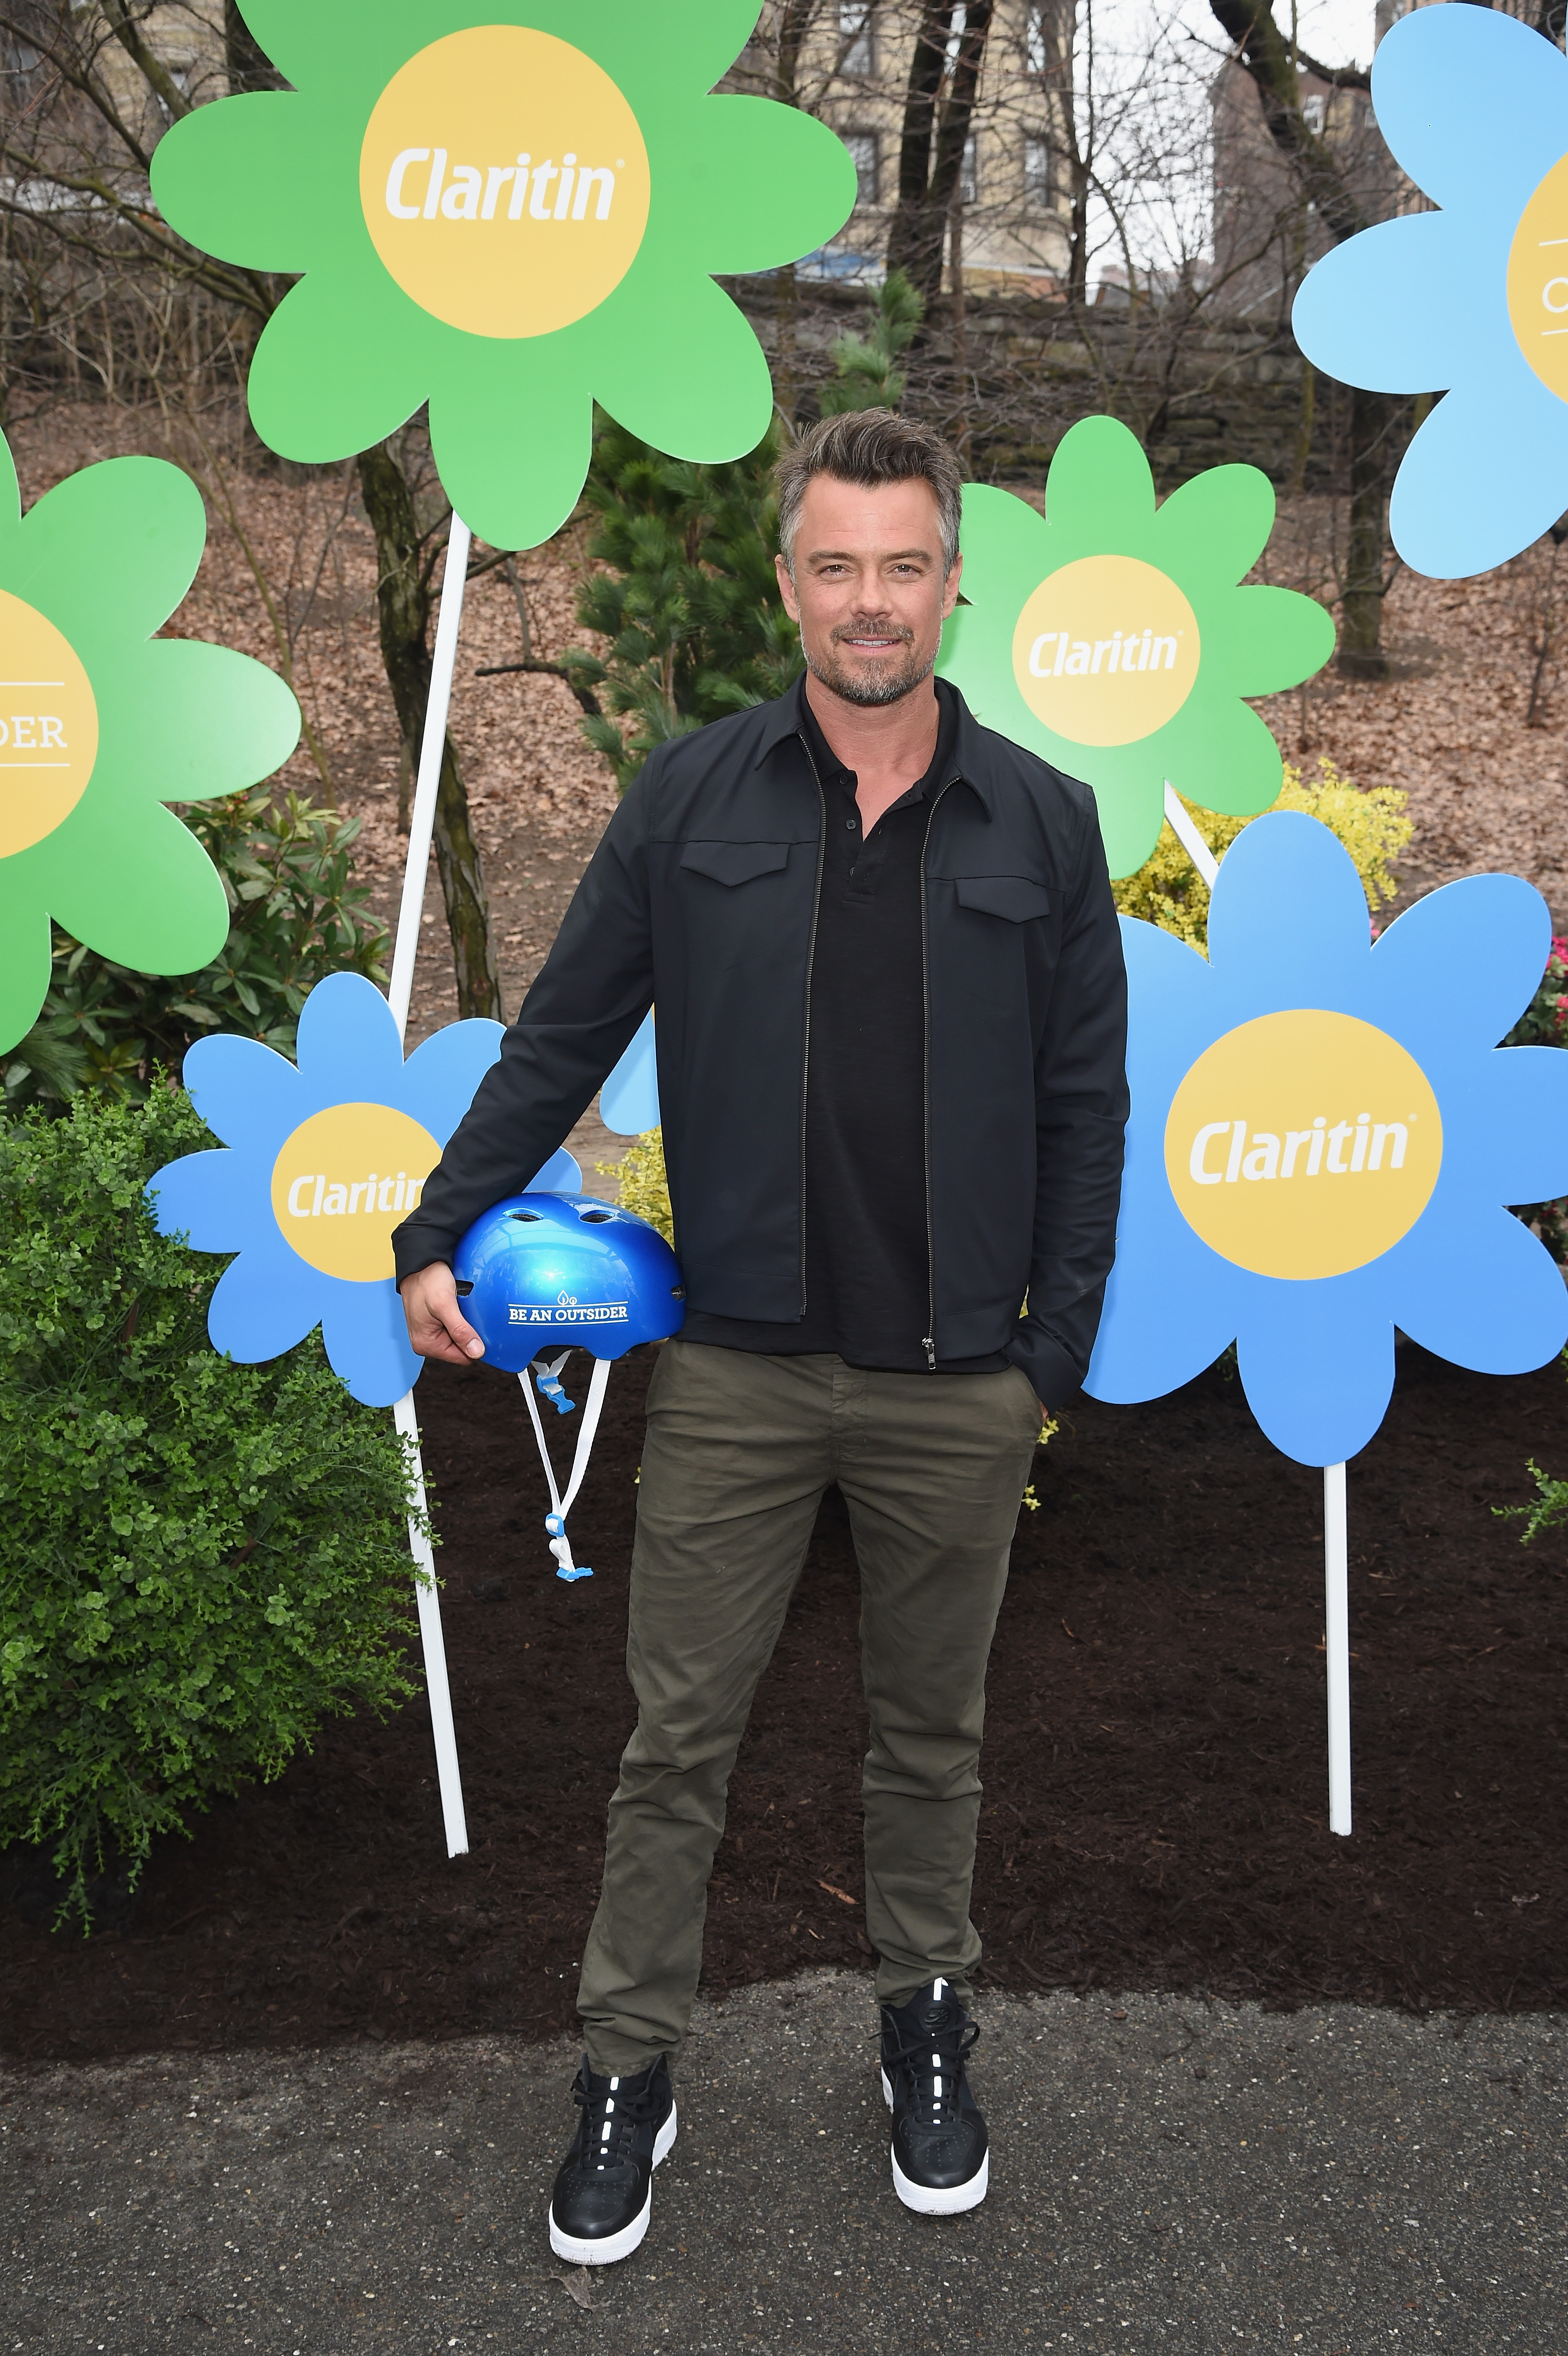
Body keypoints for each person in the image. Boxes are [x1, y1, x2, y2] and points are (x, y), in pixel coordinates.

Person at [393, 409, 1129, 2264]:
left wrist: (1050, 1354)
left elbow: (1086, 1103)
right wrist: (432, 1223)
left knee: (928, 1736)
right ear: (784, 579)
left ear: (952, 579)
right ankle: (630, 2066)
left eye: (903, 563)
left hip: (958, 1375)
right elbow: (560, 1034)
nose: (869, 600)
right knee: (675, 1737)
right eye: (835, 563)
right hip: (733, 1362)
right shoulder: (690, 798)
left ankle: (923, 2025)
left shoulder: (1043, 819)